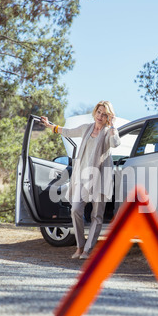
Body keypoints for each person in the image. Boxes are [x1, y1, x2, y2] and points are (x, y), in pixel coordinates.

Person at [41, 101, 121, 260]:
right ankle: (80, 246)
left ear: (108, 117)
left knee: (97, 215)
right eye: (99, 112)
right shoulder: (86, 128)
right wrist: (51, 126)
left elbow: (116, 143)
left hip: (99, 177)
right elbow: (68, 131)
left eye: (104, 114)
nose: (100, 116)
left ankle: (87, 250)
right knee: (75, 209)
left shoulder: (108, 132)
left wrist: (112, 127)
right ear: (95, 112)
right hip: (83, 176)